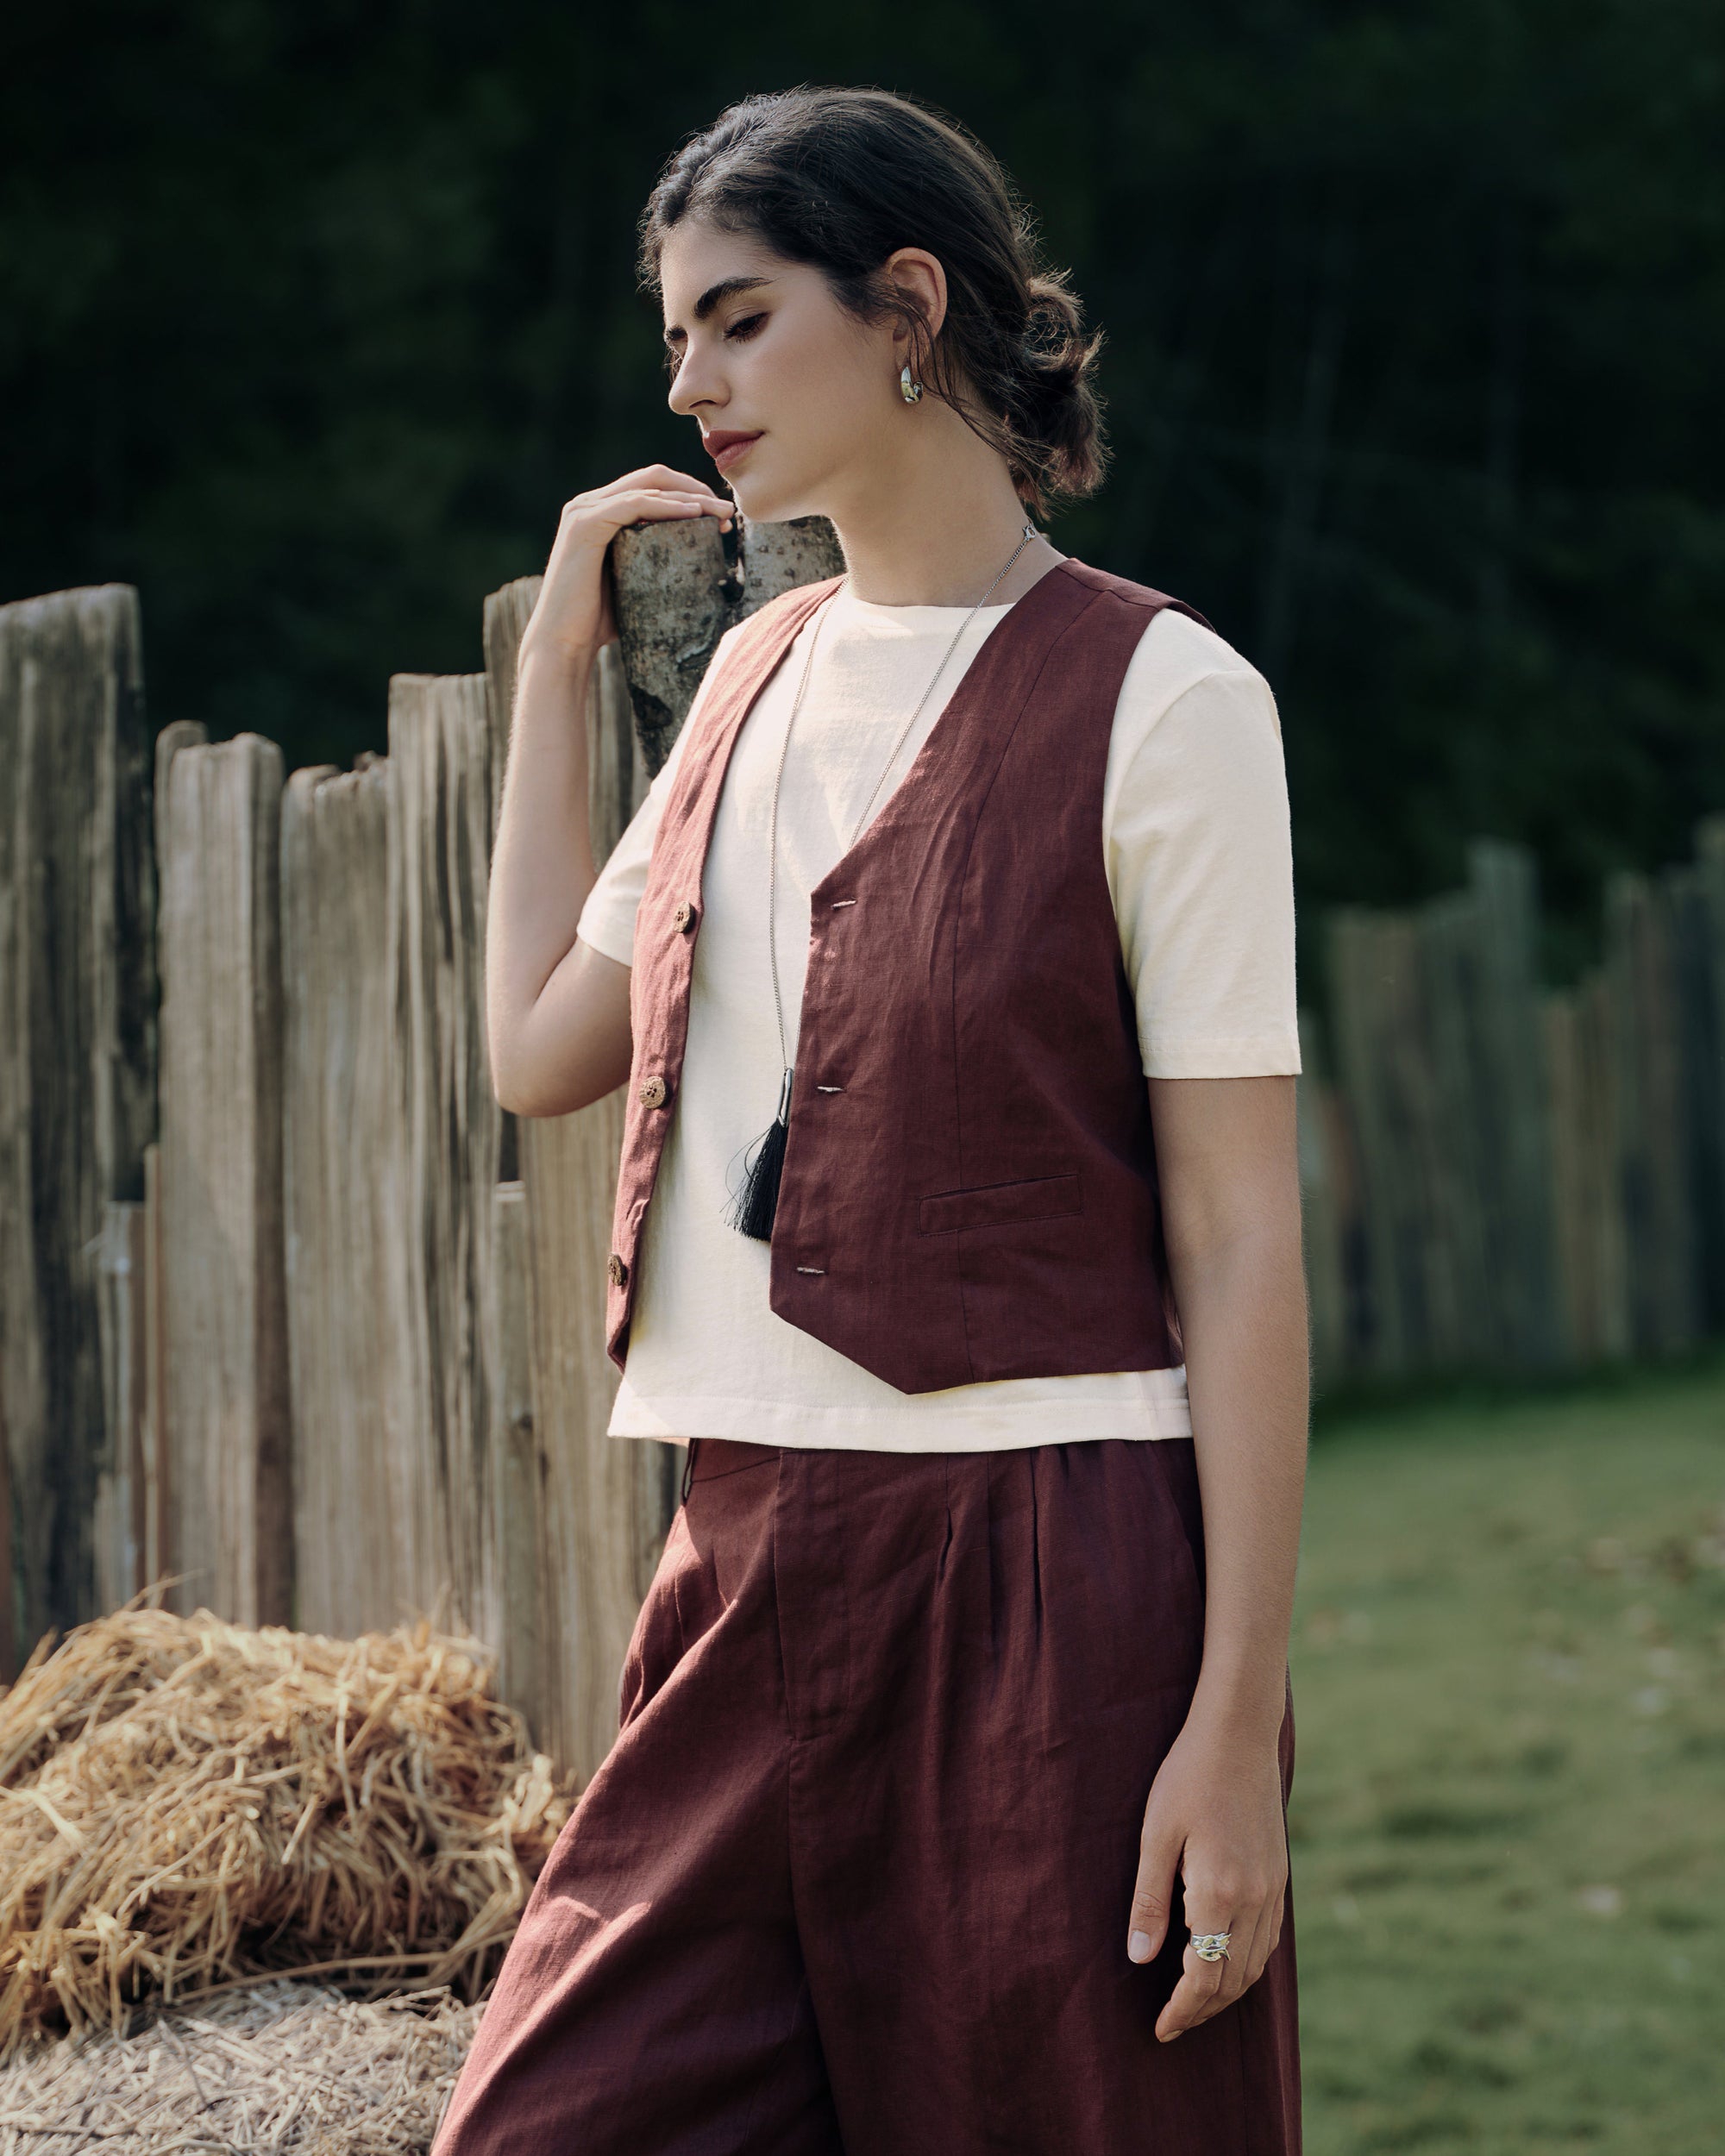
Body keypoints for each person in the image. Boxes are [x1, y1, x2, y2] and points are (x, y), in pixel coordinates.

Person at [437, 83, 1308, 2156]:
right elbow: (543, 1043)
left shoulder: (1170, 702)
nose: (689, 378)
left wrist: (1234, 1726)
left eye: (739, 319)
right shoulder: (749, 682)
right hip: (739, 1562)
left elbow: (1244, 1236)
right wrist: (559, 664)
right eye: (676, 336)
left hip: (1050, 1573)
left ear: (905, 303)